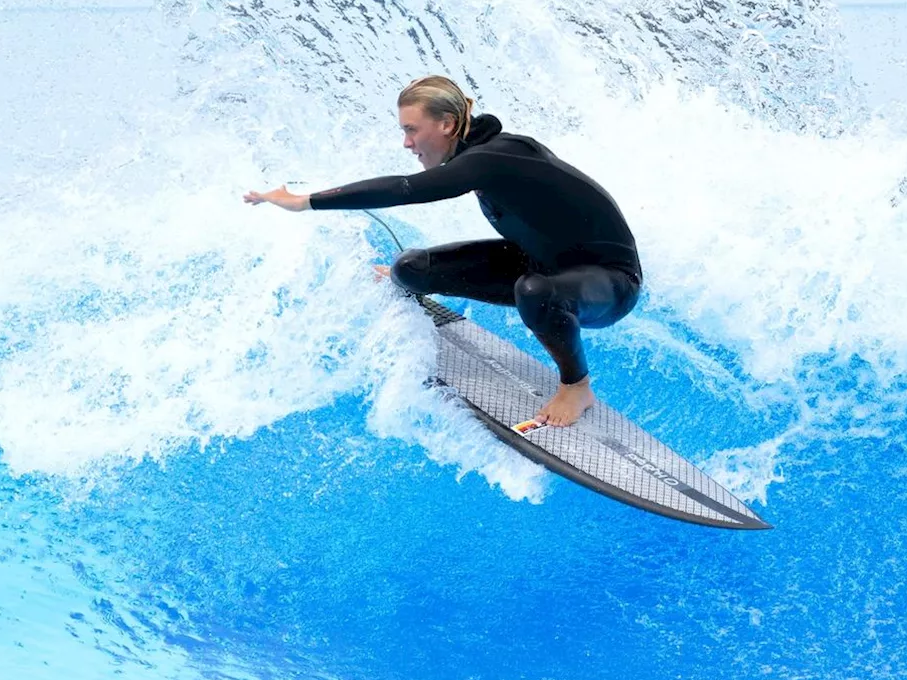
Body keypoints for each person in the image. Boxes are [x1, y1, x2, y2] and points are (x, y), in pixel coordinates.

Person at [244, 75, 642, 427]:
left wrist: (304, 201)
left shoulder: (496, 156)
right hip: (542, 263)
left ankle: (577, 386)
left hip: (607, 281)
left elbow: (406, 189)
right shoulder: (479, 157)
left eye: (412, 130)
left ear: (447, 124)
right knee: (411, 269)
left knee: (535, 291)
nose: (407, 143)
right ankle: (406, 275)